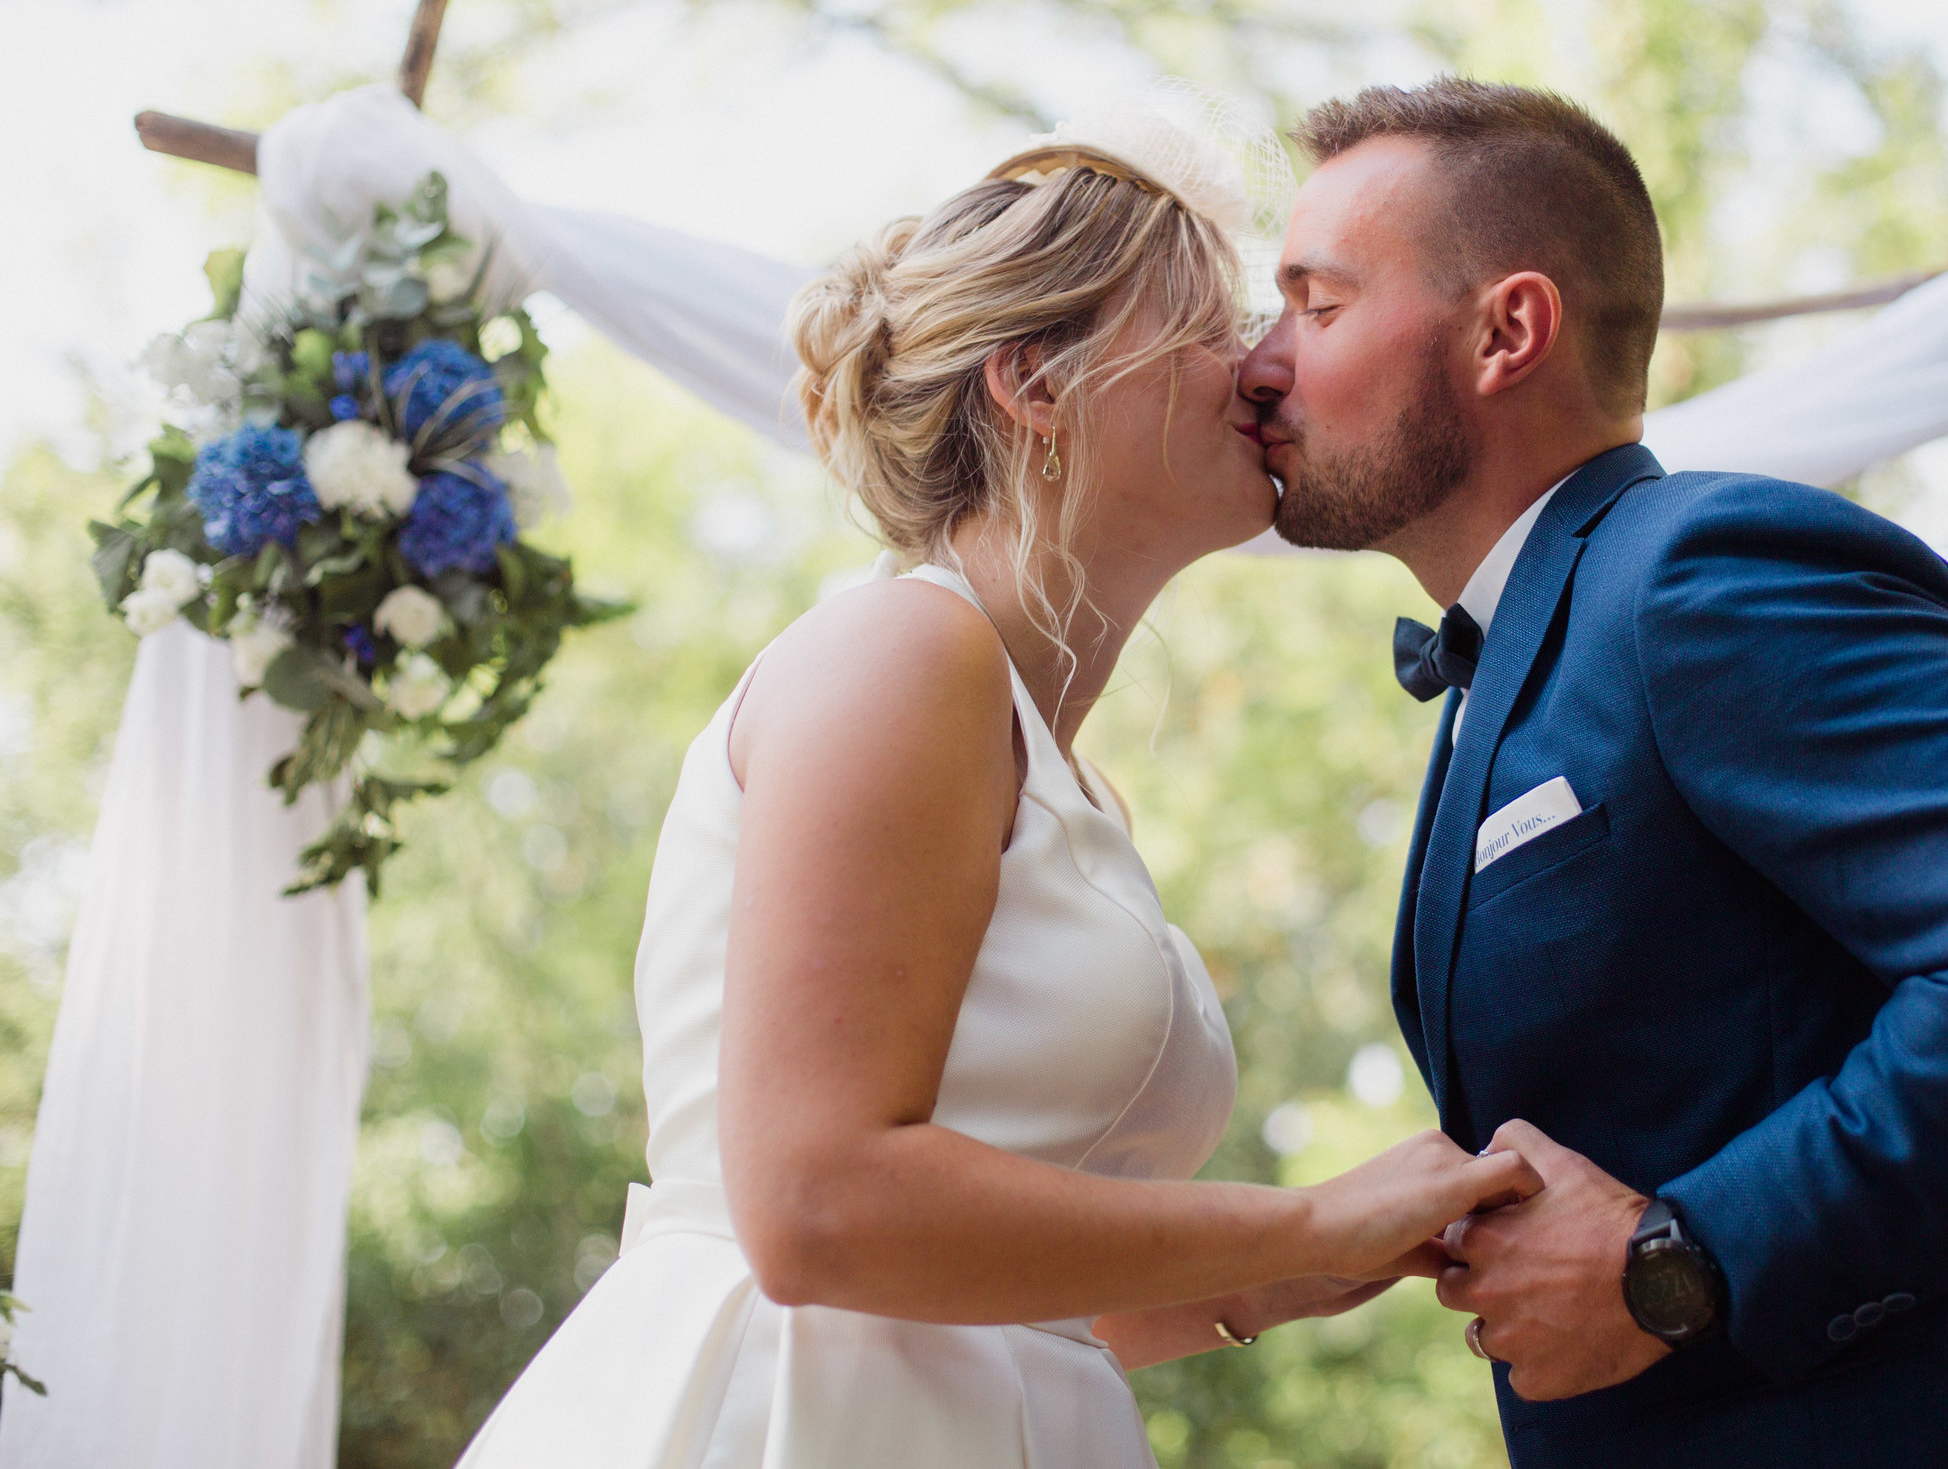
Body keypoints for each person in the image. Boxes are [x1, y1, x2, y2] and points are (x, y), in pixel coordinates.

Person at [454, 111, 1541, 1469]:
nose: (1265, 367)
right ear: (1038, 382)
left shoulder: (1076, 785)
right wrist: (1305, 1220)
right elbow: (812, 1205)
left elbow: (1031, 1297)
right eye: (1209, 324)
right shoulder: (901, 653)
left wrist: (1318, 1258)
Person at [1238, 76, 1948, 1468]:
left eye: (1315, 306)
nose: (1261, 365)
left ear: (1507, 330)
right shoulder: (1518, 658)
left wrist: (1679, 1261)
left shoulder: (1701, 574)